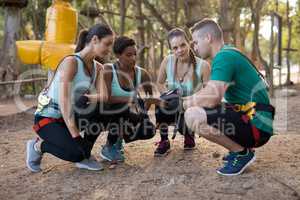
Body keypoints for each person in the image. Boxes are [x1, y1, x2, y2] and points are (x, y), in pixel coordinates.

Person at [183, 19, 275, 176]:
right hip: (255, 120)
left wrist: (183, 102)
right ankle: (242, 149)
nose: (195, 48)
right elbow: (212, 95)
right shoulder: (228, 53)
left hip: (257, 127)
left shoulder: (224, 57)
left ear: (208, 38)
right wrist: (190, 99)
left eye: (196, 42)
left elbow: (212, 98)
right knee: (198, 108)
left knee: (192, 115)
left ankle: (242, 153)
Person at [26, 24, 114, 172]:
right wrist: (76, 137)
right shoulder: (71, 62)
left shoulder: (99, 67)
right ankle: (38, 146)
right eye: (107, 44)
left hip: (71, 116)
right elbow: (64, 101)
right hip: (48, 118)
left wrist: (87, 98)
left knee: (103, 109)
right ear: (94, 39)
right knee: (74, 153)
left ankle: (84, 153)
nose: (109, 49)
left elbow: (104, 97)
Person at [154, 28, 210, 156]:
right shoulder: (167, 61)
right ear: (171, 49)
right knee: (160, 103)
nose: (180, 50)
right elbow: (160, 83)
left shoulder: (203, 66)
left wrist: (189, 101)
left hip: (191, 106)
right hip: (172, 105)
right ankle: (164, 140)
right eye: (175, 48)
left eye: (183, 45)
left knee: (186, 119)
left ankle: (189, 135)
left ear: (189, 43)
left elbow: (208, 92)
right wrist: (167, 97)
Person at [99, 36, 156, 162]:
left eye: (135, 54)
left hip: (127, 114)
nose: (133, 58)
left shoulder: (142, 73)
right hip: (108, 113)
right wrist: (130, 99)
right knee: (122, 108)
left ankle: (119, 141)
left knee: (150, 131)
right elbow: (107, 99)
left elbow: (149, 97)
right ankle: (108, 147)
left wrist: (141, 112)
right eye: (129, 55)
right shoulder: (109, 69)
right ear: (118, 55)